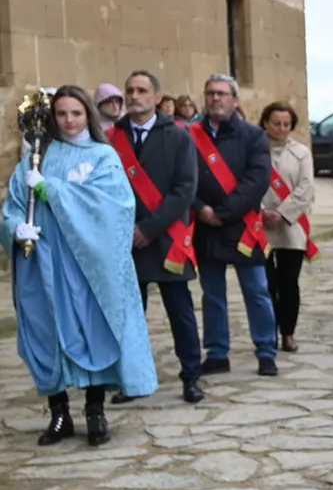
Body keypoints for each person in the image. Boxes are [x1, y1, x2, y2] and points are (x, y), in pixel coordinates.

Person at [6, 85, 157, 444]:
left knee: (93, 331)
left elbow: (115, 209)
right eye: (61, 114)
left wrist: (52, 190)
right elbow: (12, 207)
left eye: (76, 113)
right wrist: (15, 227)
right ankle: (59, 414)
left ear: (87, 114)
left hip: (85, 267)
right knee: (47, 331)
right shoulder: (35, 159)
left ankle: (95, 411)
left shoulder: (103, 157)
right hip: (43, 264)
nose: (69, 120)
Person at [113, 69, 204, 405]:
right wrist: (128, 229)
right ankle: (131, 380)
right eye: (129, 90)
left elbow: (184, 190)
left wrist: (148, 229)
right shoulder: (112, 137)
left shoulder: (178, 136)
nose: (134, 96)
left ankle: (191, 376)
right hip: (125, 240)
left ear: (155, 96)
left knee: (180, 311)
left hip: (166, 239)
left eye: (141, 90)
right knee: (130, 316)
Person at [190, 74, 278, 378]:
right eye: (211, 93)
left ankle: (266, 351)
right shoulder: (190, 136)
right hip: (206, 227)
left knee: (256, 291)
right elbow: (184, 179)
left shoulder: (253, 136)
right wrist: (201, 209)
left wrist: (223, 213)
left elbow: (257, 180)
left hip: (241, 227)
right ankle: (217, 353)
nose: (216, 99)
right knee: (212, 294)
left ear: (235, 99)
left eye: (222, 94)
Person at [258, 101, 317, 353]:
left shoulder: (301, 152)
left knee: (288, 284)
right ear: (265, 123)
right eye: (276, 123)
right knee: (265, 285)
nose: (281, 128)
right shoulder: (254, 150)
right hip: (260, 227)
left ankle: (288, 332)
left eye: (286, 124)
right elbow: (247, 182)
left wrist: (281, 213)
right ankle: (267, 332)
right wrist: (262, 212)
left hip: (291, 227)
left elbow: (306, 189)